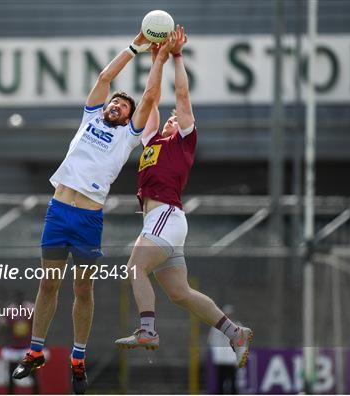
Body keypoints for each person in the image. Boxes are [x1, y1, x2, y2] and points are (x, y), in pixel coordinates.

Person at [12, 30, 177, 394]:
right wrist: (135, 45)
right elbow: (105, 78)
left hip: (88, 219)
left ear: (130, 118)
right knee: (49, 284)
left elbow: (150, 96)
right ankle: (36, 351)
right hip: (58, 212)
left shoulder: (127, 137)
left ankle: (78, 358)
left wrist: (160, 61)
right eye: (114, 103)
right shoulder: (89, 118)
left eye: (123, 106)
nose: (116, 106)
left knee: (82, 288)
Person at [114, 26, 253, 369]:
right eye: (172, 118)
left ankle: (147, 330)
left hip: (166, 217)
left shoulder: (183, 141)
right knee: (179, 293)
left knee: (134, 268)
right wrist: (155, 55)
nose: (174, 118)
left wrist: (176, 56)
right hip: (161, 222)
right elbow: (151, 95)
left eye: (178, 119)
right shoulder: (153, 142)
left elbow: (180, 94)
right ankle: (234, 332)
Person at [1, 292, 39, 394]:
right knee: (11, 374)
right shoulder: (10, 310)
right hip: (13, 348)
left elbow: (38, 326)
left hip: (27, 347)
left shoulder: (31, 309)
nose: (19, 301)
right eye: (17, 299)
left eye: (21, 299)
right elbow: (6, 329)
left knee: (33, 374)